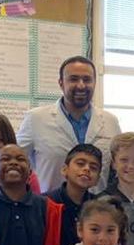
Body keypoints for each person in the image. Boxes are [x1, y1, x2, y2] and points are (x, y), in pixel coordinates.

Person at [17, 56, 121, 193]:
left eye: (87, 79)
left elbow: (119, 168)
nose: (81, 85)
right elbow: (14, 162)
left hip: (96, 209)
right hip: (50, 208)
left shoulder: (110, 121)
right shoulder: (36, 119)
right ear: (61, 83)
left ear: (95, 83)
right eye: (73, 79)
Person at [44, 143, 102, 245]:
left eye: (93, 167)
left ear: (97, 179)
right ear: (64, 169)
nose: (86, 169)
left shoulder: (99, 207)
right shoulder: (45, 203)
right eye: (80, 164)